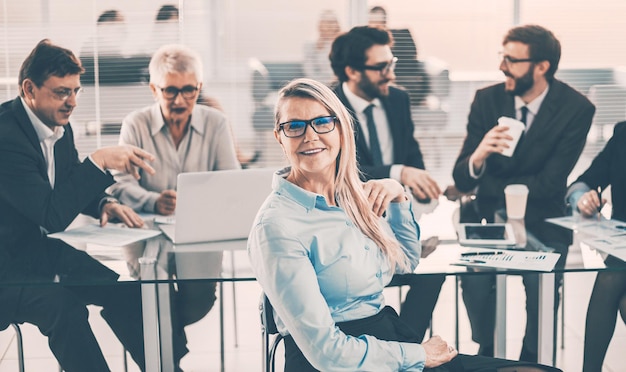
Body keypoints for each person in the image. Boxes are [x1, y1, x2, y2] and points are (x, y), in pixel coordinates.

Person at [248, 77, 561, 372]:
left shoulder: (352, 196)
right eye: (295, 126)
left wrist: (399, 196)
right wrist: (419, 353)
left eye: (322, 122)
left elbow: (406, 262)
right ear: (279, 136)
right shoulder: (277, 226)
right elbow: (326, 352)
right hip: (339, 362)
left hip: (387, 342)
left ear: (340, 128)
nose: (310, 136)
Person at [0, 39, 163, 371]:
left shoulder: (58, 123)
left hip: (40, 253)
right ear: (29, 88)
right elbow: (51, 214)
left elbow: (69, 178)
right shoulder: (5, 138)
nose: (72, 102)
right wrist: (101, 159)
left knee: (130, 294)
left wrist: (103, 202)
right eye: (62, 92)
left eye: (76, 91)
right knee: (67, 309)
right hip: (6, 269)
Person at [452, 24, 595, 362]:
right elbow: (462, 176)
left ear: (541, 66)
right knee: (474, 282)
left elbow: (552, 183)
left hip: (544, 217)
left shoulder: (576, 109)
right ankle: (487, 352)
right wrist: (479, 155)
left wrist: (491, 184)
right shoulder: (487, 99)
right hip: (486, 213)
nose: (503, 67)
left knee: (542, 284)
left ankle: (532, 358)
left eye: (512, 60)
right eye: (502, 57)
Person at [109, 44, 240, 327]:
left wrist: (198, 202)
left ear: (199, 87)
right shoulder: (135, 123)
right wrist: (153, 200)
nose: (180, 100)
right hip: (146, 229)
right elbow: (120, 184)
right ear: (154, 90)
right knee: (150, 296)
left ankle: (158, 345)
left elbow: (232, 182)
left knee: (199, 301)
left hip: (200, 231)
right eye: (170, 90)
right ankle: (167, 358)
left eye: (189, 90)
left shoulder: (216, 122)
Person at [329, 25, 444, 341]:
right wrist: (398, 172)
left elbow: (411, 155)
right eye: (381, 67)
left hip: (397, 217)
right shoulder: (327, 107)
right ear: (351, 71)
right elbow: (339, 170)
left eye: (391, 63)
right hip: (348, 224)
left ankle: (401, 345)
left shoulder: (397, 99)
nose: (390, 74)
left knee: (435, 270)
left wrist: (418, 181)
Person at [565, 121, 626, 371]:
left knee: (611, 281)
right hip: (622, 250)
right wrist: (583, 199)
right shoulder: (623, 135)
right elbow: (581, 183)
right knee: (613, 281)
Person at [367, 6, 430, 106]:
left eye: (379, 21)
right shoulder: (365, 42)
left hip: (404, 78)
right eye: (373, 21)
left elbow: (411, 58)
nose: (377, 24)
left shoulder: (401, 37)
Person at [302, 10, 341, 86]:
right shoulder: (311, 45)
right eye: (326, 22)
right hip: (319, 86)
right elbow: (309, 72)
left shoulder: (342, 43)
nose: (330, 25)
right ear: (320, 25)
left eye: (332, 22)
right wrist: (328, 82)